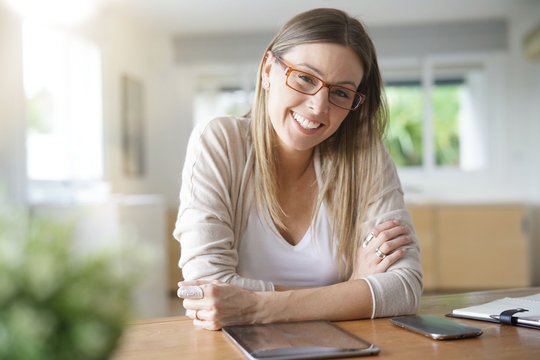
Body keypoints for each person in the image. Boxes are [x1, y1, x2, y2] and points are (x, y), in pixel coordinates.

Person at [174, 8, 423, 331]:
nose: (319, 106)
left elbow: (404, 289)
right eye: (305, 77)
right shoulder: (220, 141)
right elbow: (207, 289)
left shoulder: (364, 156)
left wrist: (254, 307)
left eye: (341, 93)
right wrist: (353, 289)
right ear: (267, 69)